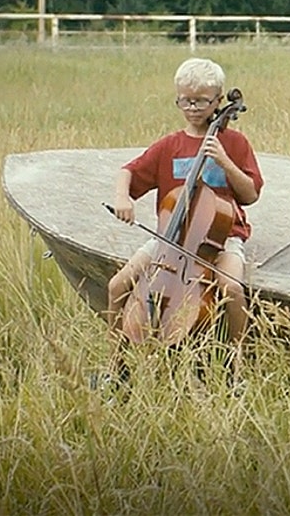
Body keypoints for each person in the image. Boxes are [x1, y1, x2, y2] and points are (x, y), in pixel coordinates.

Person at [103, 57, 264, 386]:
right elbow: (128, 172)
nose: (192, 107)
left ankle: (238, 368)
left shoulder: (235, 143)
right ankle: (114, 366)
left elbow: (250, 195)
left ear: (218, 101)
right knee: (118, 285)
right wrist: (123, 198)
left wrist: (224, 161)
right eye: (184, 100)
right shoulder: (170, 145)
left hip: (221, 239)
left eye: (201, 101)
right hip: (170, 238)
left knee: (232, 288)